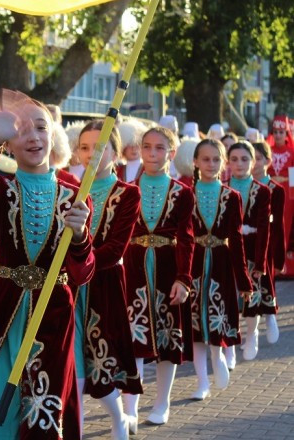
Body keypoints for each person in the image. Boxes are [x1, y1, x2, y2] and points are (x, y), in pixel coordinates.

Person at [0, 90, 94, 439]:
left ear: (52, 137)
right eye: (21, 130)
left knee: (45, 403)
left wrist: (80, 236)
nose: (33, 136)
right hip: (7, 309)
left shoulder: (75, 194)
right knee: (3, 400)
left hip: (54, 313)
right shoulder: (2, 190)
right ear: (9, 146)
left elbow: (83, 272)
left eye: (41, 128)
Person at [73, 120, 142, 440]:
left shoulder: (128, 193)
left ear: (115, 152)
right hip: (70, 289)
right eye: (84, 147)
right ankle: (76, 429)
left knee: (101, 367)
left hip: (105, 285)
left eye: (99, 148)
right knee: (71, 367)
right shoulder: (69, 189)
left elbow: (116, 247)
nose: (91, 154)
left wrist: (79, 262)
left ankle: (119, 418)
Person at [123, 126, 194, 428]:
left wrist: (184, 278)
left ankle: (162, 401)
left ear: (172, 153)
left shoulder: (183, 192)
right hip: (133, 267)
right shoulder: (126, 189)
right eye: (147, 147)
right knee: (132, 335)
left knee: (168, 337)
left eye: (160, 148)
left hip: (168, 267)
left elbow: (187, 237)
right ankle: (130, 408)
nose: (152, 154)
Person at [188, 139, 252, 400]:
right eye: (205, 159)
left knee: (218, 316)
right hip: (193, 263)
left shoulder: (231, 196)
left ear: (222, 163)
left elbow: (236, 239)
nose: (211, 164)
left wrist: (244, 280)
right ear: (196, 162)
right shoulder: (185, 193)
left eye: (216, 159)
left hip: (221, 264)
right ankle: (202, 382)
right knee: (194, 325)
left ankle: (219, 355)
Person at [227, 141, 271, 363]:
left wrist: (261, 263)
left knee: (250, 295)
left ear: (253, 162)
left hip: (252, 248)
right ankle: (230, 345)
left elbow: (264, 227)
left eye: (244, 159)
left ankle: (251, 333)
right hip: (226, 249)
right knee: (228, 297)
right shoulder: (222, 186)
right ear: (228, 162)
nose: (239, 164)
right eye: (234, 159)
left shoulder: (262, 191)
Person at [250, 141, 282, 346]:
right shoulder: (239, 185)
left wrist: (280, 254)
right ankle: (251, 327)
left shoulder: (275, 189)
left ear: (268, 161)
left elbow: (279, 224)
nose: (255, 163)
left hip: (267, 242)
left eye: (259, 158)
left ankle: (270, 315)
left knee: (265, 280)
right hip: (246, 240)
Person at [265, 115, 294, 275]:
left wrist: (285, 179)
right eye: (275, 131)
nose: (277, 135)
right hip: (270, 192)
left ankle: (287, 266)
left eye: (281, 132)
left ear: (286, 133)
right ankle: (272, 264)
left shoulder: (292, 152)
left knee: (287, 226)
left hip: (288, 195)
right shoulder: (267, 151)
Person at [116, 118, 147, 182]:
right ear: (123, 148)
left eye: (137, 144)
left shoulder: (148, 170)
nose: (134, 149)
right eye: (130, 145)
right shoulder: (117, 170)